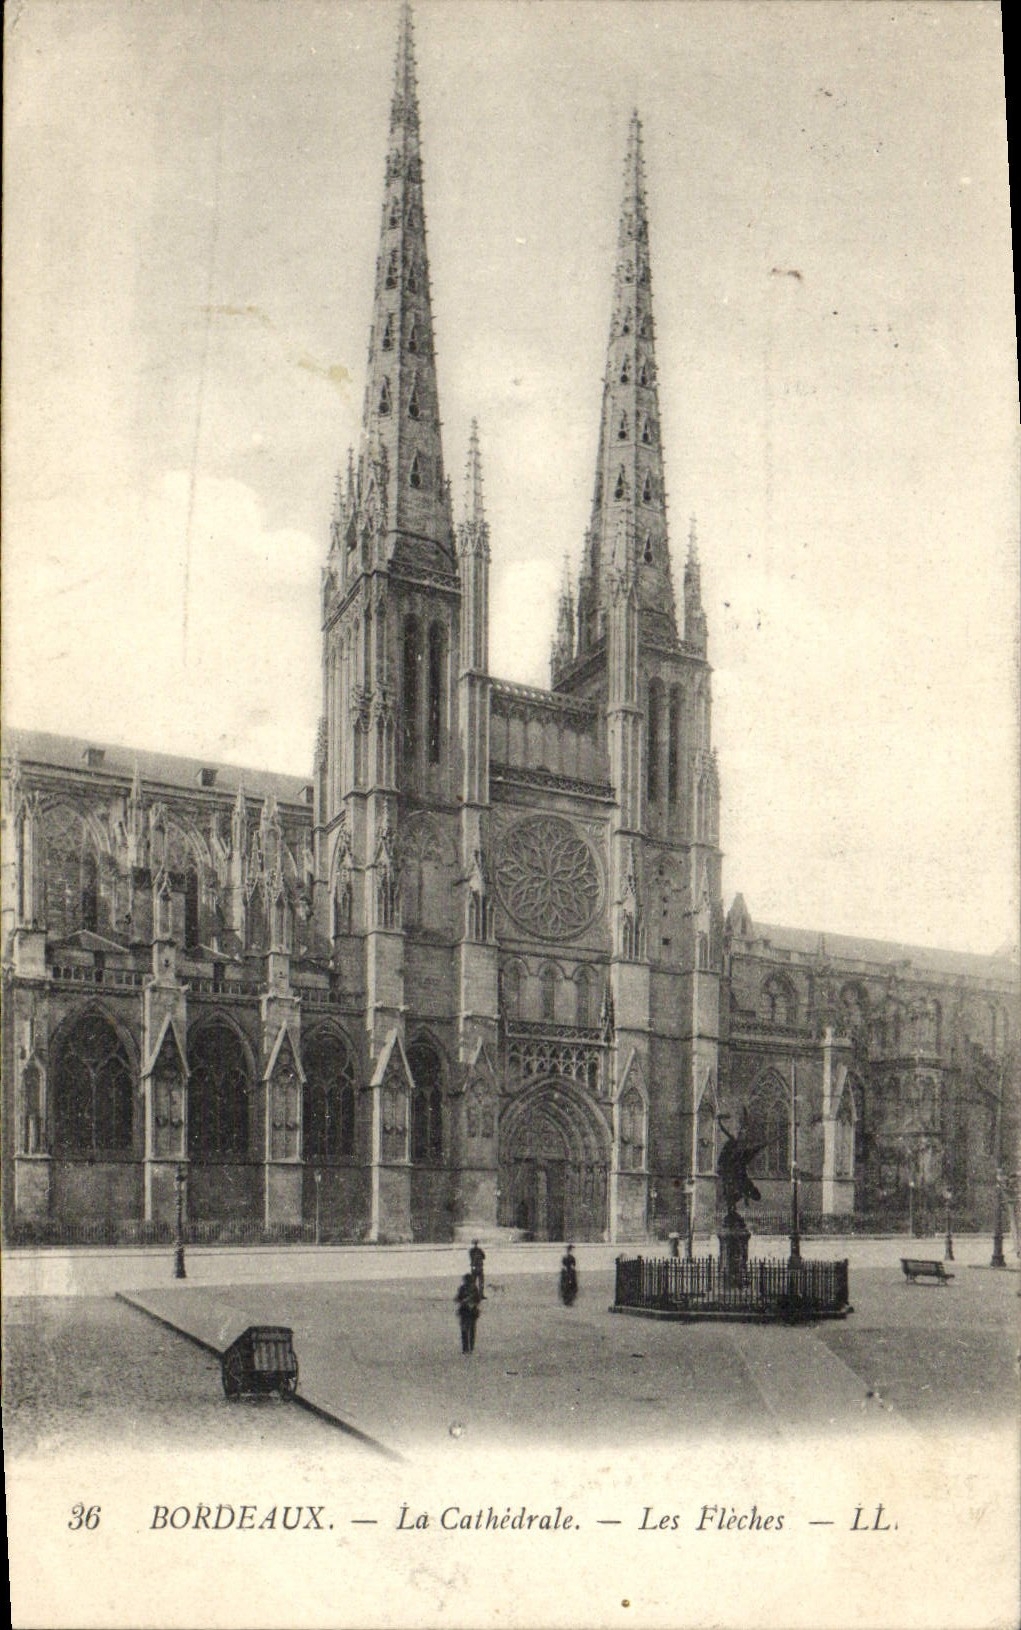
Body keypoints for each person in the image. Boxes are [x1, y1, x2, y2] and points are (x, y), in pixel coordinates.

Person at [455, 1272, 481, 1353]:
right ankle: (468, 1348)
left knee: (466, 1330)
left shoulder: (464, 1288)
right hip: (468, 1312)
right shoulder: (472, 1288)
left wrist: (465, 1301)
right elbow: (478, 1300)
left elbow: (457, 1299)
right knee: (469, 1330)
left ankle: (467, 1348)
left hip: (467, 1312)